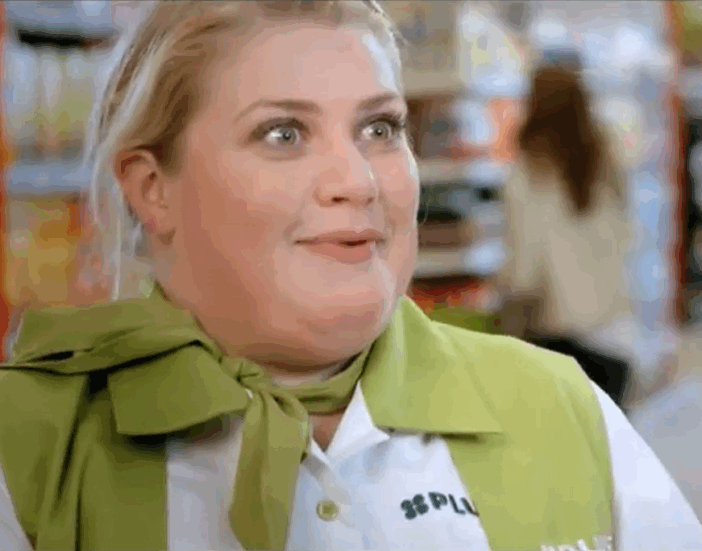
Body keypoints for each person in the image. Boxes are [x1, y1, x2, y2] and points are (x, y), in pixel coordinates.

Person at [0, 2, 700, 550]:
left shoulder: (564, 410)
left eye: (380, 129)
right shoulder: (27, 446)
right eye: (283, 134)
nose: (359, 180)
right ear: (153, 189)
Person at [494, 59, 641, 407]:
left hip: (562, 346)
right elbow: (626, 235)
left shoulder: (529, 175)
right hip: (615, 338)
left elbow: (524, 273)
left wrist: (500, 302)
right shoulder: (606, 161)